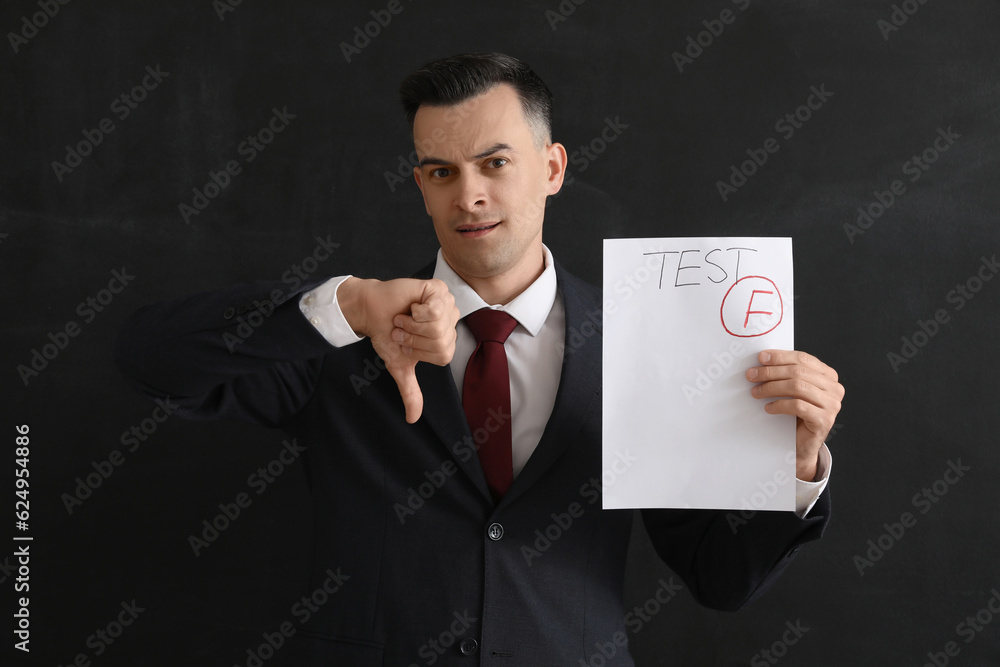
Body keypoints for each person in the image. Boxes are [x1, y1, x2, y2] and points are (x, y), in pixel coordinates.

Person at [115, 52, 844, 666]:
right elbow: (151, 357)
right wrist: (348, 305)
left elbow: (720, 577)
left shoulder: (642, 340)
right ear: (421, 185)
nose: (470, 195)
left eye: (495, 162)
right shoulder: (341, 337)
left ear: (552, 167)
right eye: (440, 171)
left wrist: (794, 464)